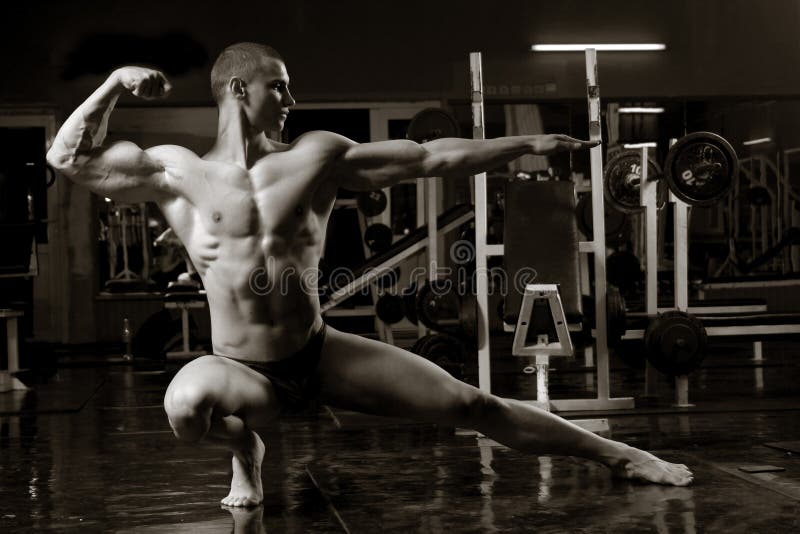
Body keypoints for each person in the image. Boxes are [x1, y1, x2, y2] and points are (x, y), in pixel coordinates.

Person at [47, 42, 693, 508]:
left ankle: (626, 457)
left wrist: (522, 146)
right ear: (240, 91)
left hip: (319, 353)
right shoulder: (173, 173)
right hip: (241, 372)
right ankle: (245, 453)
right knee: (184, 406)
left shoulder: (316, 158)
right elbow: (65, 155)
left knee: (471, 403)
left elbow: (429, 158)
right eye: (280, 85)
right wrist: (112, 84)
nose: (292, 100)